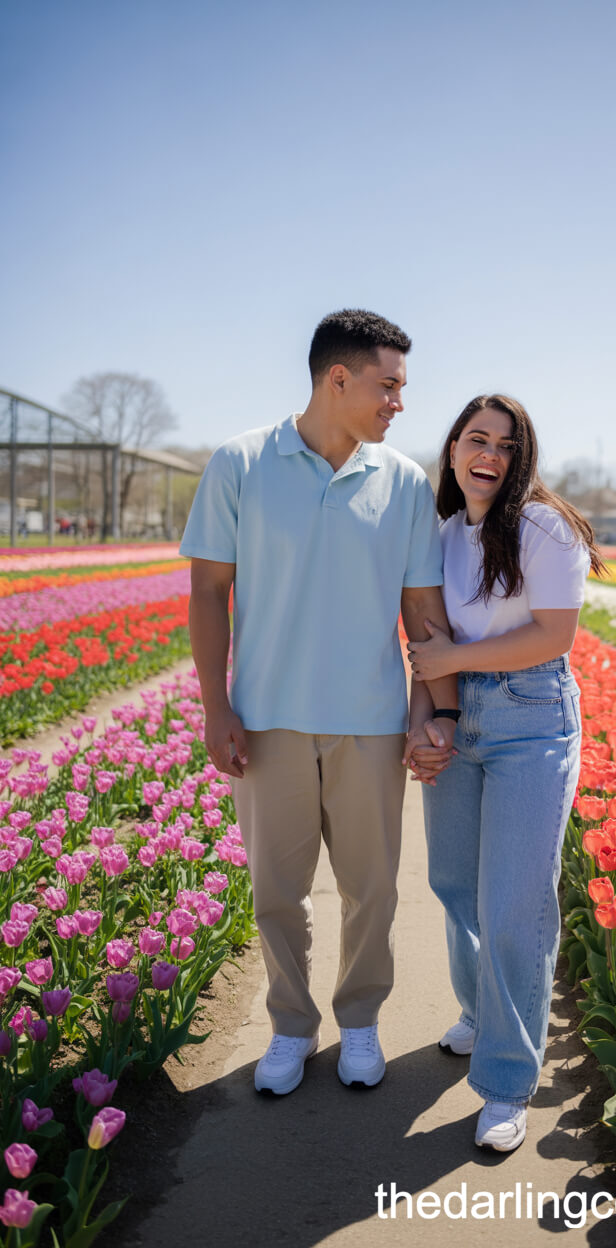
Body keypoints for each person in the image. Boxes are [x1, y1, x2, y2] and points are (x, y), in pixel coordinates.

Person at [181, 310, 457, 1097]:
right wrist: (215, 707)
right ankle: (291, 1028)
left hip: (370, 723)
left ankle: (361, 1023)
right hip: (266, 720)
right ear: (338, 379)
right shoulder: (240, 463)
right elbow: (207, 591)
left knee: (373, 888)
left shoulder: (402, 481)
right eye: (389, 384)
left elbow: (423, 614)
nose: (399, 402)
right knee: (278, 891)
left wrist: (432, 714)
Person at [406, 393, 606, 1152]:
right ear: (454, 448)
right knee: (456, 884)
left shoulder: (543, 526)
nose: (490, 454)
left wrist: (453, 662)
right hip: (459, 714)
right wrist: (423, 720)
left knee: (515, 902)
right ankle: (481, 1012)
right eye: (477, 439)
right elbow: (421, 643)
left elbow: (554, 635)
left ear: (523, 460)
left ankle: (505, 1082)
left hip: (532, 718)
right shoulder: (442, 533)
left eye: (507, 446)